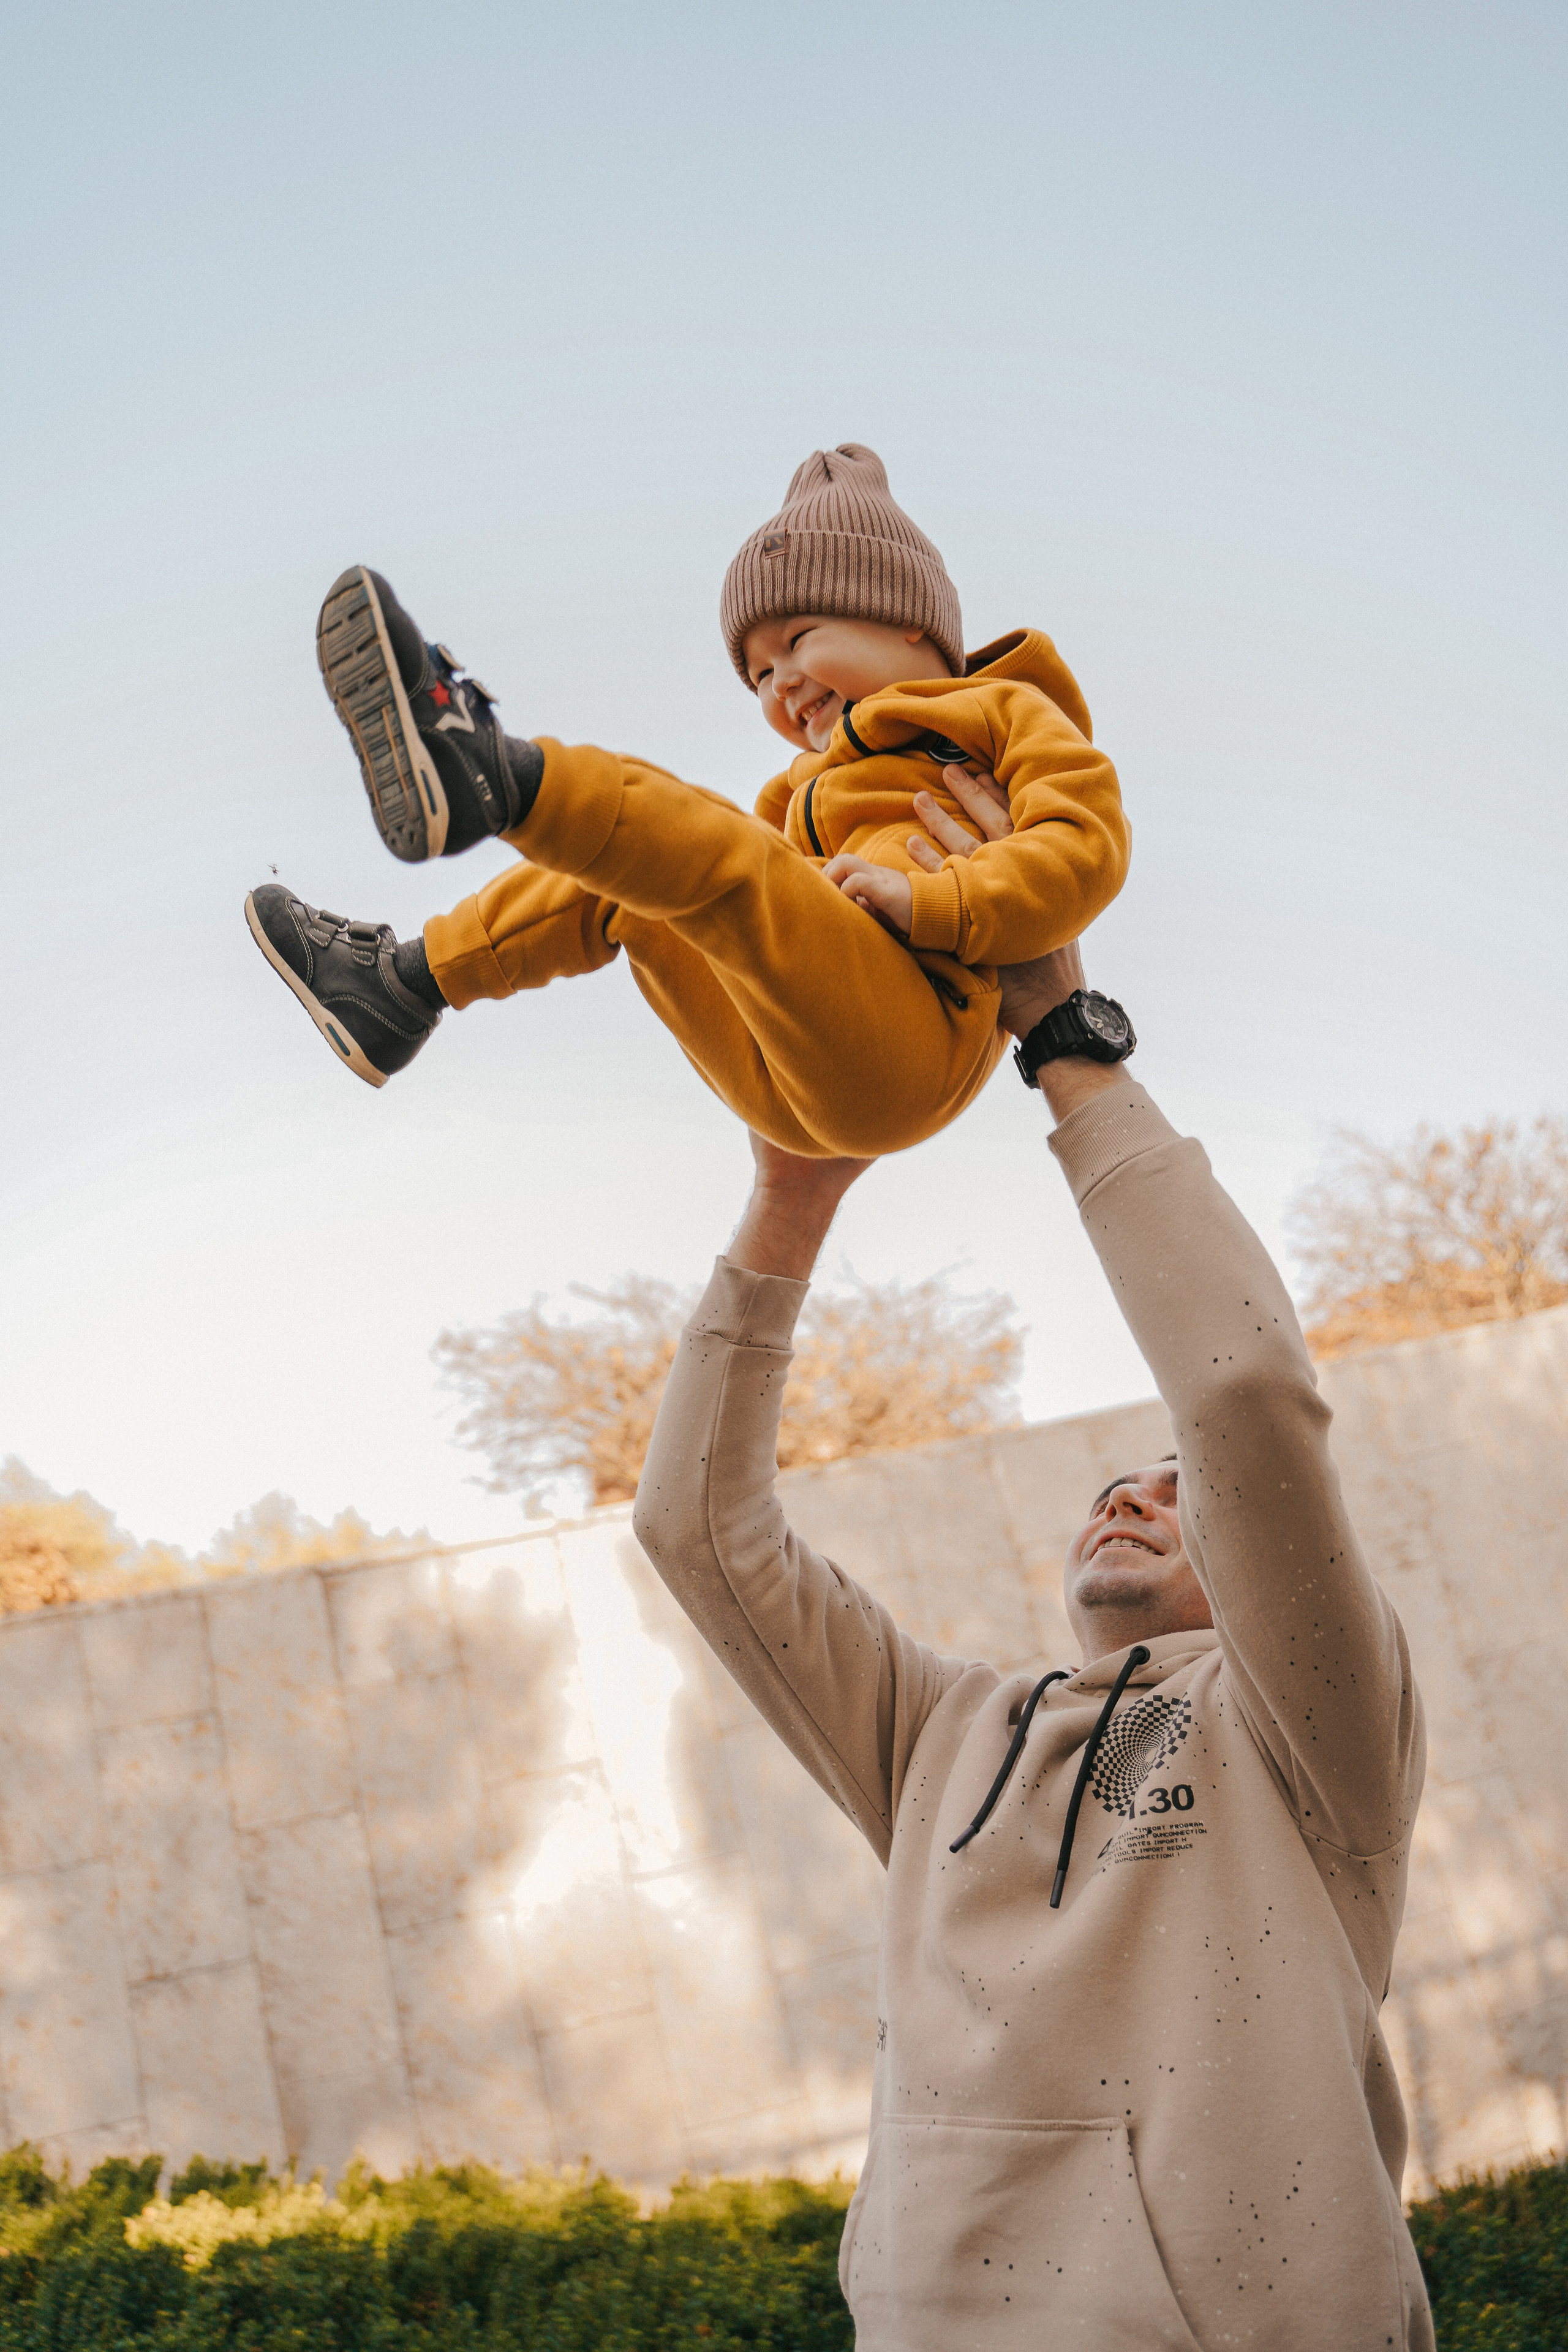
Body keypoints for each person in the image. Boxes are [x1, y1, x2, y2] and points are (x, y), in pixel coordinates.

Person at [631, 766, 1432, 2350]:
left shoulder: (1316, 1731)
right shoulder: (941, 1735)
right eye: (1109, 1488)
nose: (1131, 1500)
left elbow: (1245, 1396)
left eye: (1176, 1491)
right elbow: (699, 1534)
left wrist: (1065, 1044)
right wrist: (791, 1194)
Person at [244, 444, 1129, 1156]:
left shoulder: (1003, 711)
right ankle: (403, 985)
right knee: (645, 865)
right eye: (758, 673)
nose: (782, 683)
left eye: (801, 638)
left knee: (706, 843)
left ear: (911, 623)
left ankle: (490, 774)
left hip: (914, 1041)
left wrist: (942, 901)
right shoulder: (795, 793)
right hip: (784, 1079)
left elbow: (1084, 843)